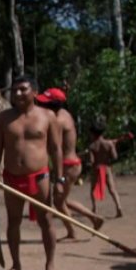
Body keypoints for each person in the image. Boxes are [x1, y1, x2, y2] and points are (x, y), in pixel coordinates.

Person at [0, 75, 63, 270]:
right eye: (15, 90)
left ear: (35, 92)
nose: (18, 93)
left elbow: (56, 150)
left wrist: (60, 180)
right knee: (13, 222)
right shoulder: (4, 118)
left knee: (46, 220)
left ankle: (50, 265)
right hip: (12, 178)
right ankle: (16, 264)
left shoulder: (48, 116)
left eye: (23, 89)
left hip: (40, 177)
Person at [35, 88, 104, 239]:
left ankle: (74, 230)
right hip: (71, 163)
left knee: (58, 202)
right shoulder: (65, 114)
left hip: (68, 165)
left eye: (45, 104)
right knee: (62, 200)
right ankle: (93, 219)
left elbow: (55, 147)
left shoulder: (57, 120)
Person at [87, 118, 124, 217]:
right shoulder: (109, 144)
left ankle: (94, 209)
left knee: (93, 189)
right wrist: (113, 147)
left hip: (96, 169)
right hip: (106, 168)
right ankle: (118, 207)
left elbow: (92, 161)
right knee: (112, 189)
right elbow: (115, 157)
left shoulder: (92, 146)